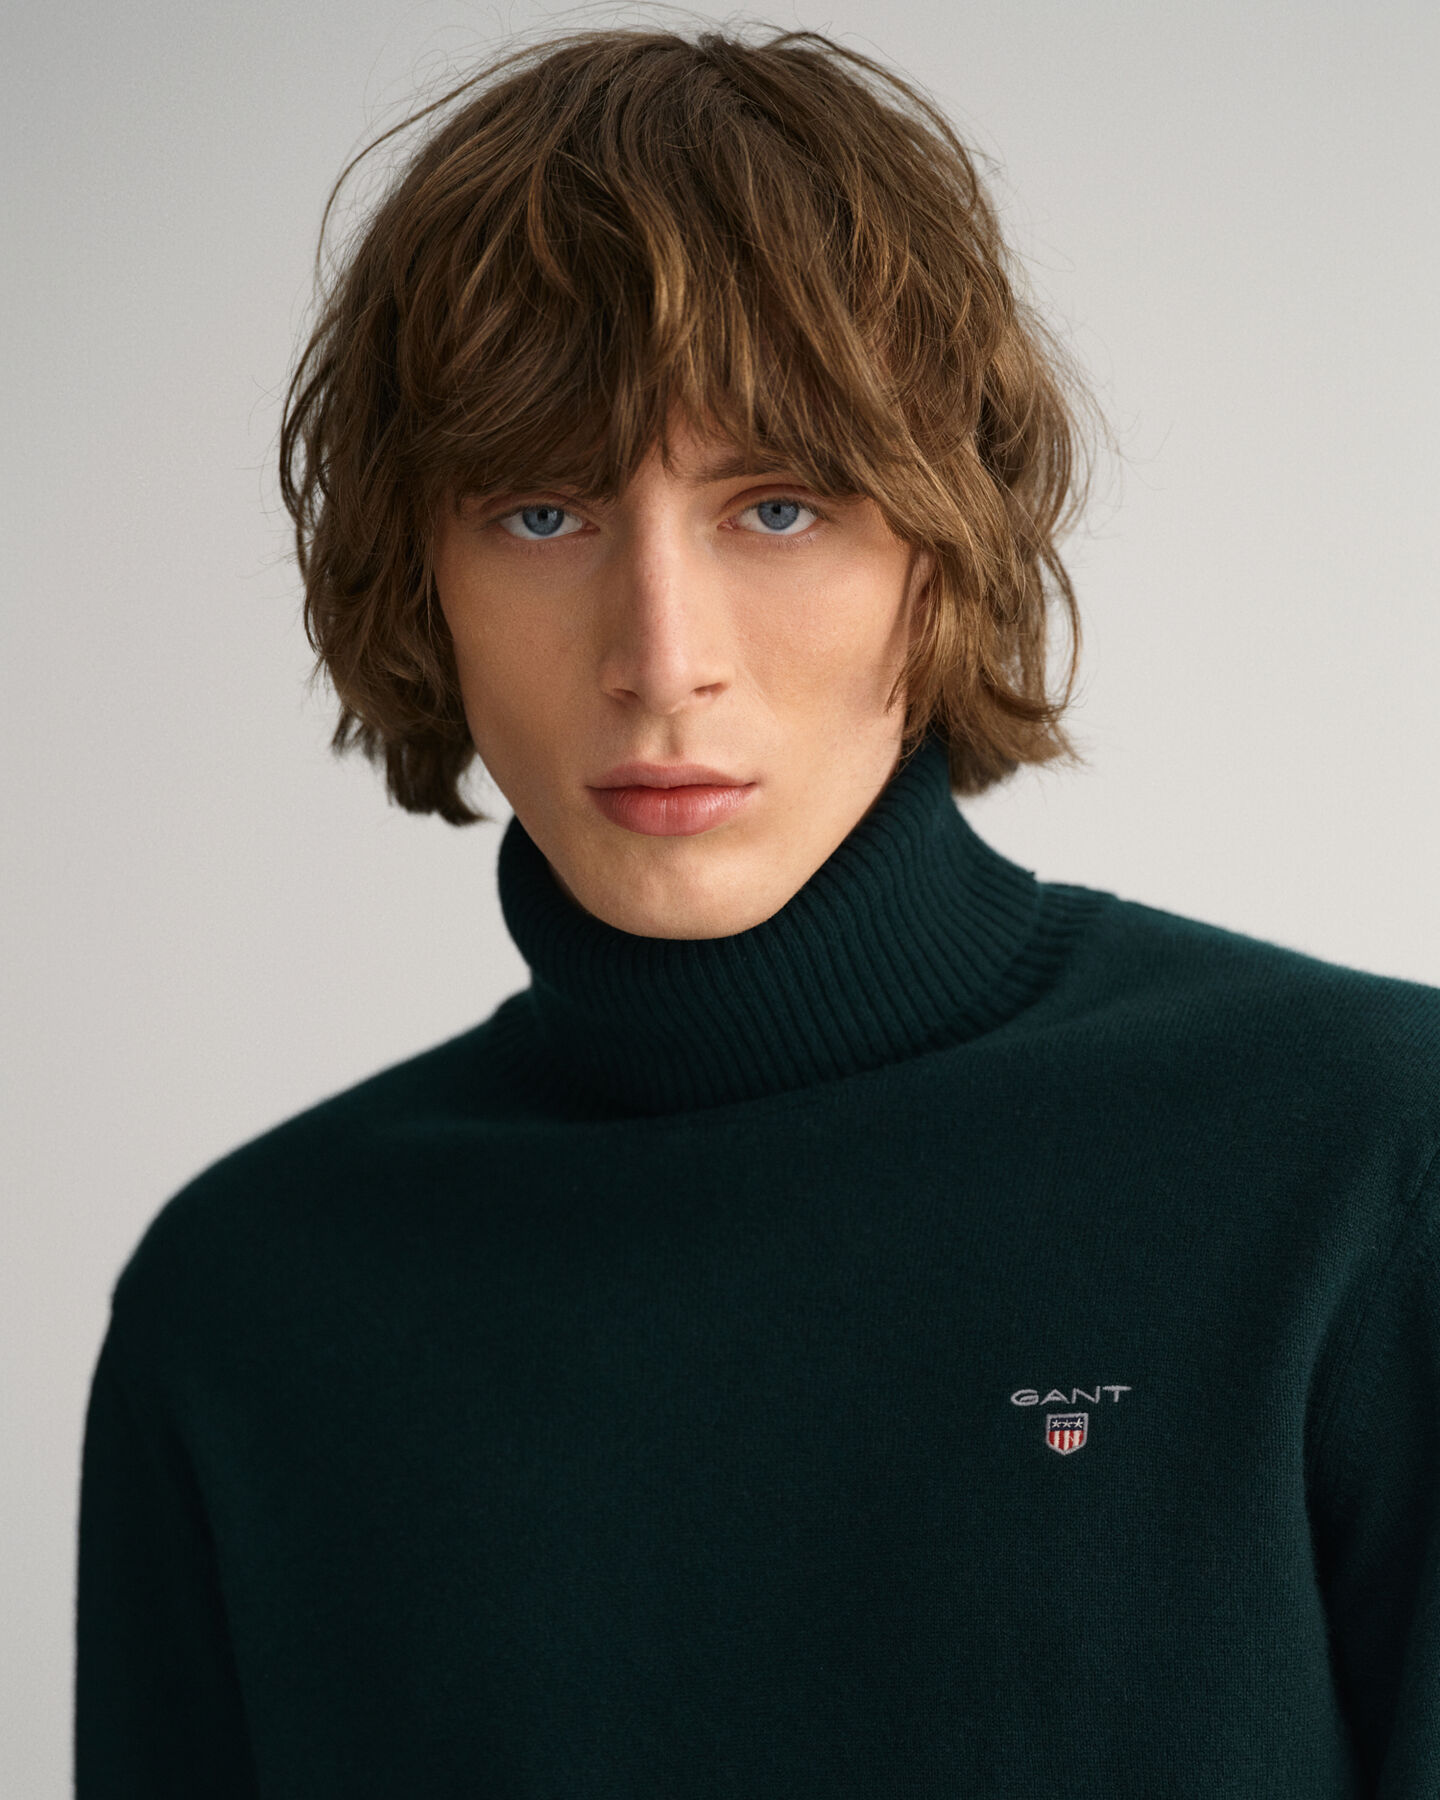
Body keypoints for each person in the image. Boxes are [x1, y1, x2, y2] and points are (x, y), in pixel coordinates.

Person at [74, 21, 1440, 1798]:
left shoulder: (1363, 1163)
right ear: (420, 574)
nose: (664, 659)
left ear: (941, 550)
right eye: (543, 512)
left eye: (777, 508)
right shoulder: (251, 1306)